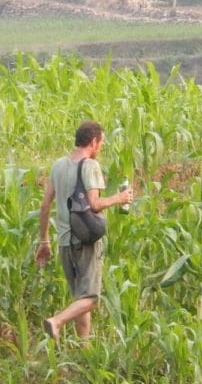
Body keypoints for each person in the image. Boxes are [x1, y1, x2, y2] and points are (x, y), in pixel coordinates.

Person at [35, 120, 132, 340]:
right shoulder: (90, 166)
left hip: (64, 242)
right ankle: (56, 321)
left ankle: (84, 348)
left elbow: (45, 205)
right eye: (101, 143)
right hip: (85, 240)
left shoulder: (58, 165)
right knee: (91, 298)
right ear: (93, 141)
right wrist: (120, 198)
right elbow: (95, 204)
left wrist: (44, 241)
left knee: (80, 299)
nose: (101, 148)